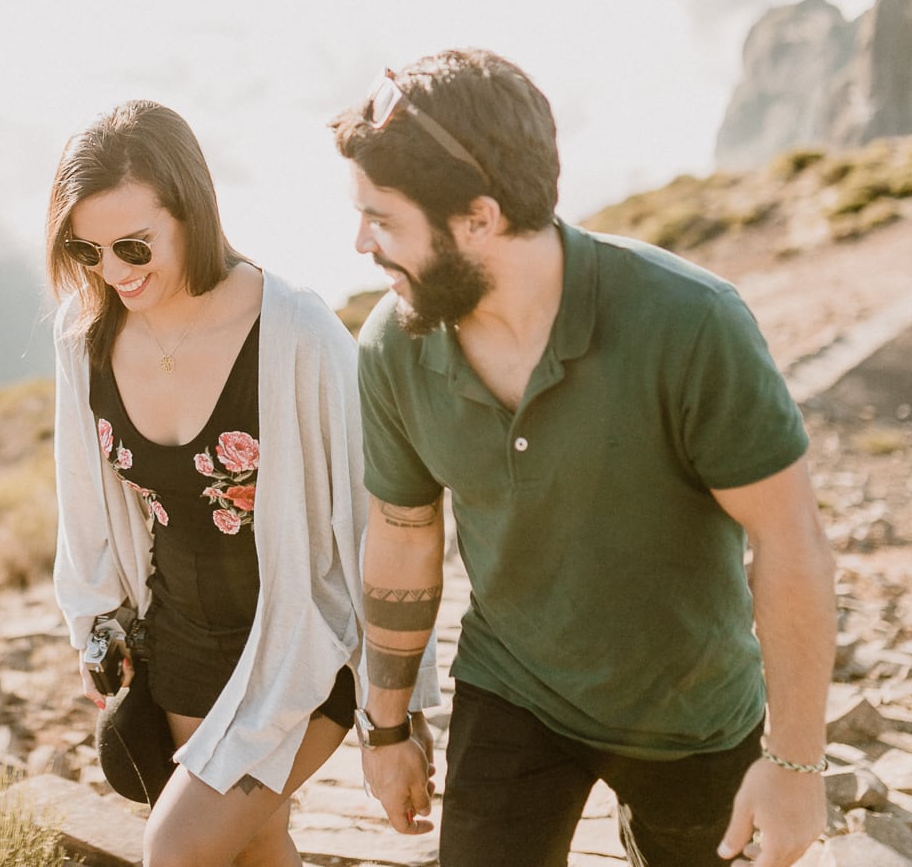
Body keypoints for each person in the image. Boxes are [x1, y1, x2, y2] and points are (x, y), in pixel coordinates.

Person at [330, 49, 836, 867]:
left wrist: (796, 766)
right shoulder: (394, 344)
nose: (359, 243)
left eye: (382, 219)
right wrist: (385, 727)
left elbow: (790, 542)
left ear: (479, 218)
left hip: (694, 712)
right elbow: (402, 533)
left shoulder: (692, 324)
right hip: (515, 687)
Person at [48, 100, 434, 867]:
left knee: (180, 849)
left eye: (132, 245)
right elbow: (83, 509)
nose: (112, 273)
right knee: (257, 846)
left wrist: (398, 711)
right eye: (86, 252)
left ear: (191, 211)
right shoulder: (85, 334)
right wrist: (98, 625)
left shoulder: (295, 332)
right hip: (181, 646)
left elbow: (376, 518)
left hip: (303, 645)